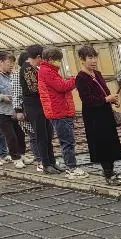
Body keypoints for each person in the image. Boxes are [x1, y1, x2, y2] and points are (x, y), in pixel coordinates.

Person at [74, 46, 121, 185]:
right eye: (90, 58)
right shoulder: (81, 78)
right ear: (82, 60)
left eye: (95, 57)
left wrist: (113, 100)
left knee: (111, 143)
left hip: (105, 113)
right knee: (102, 145)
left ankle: (111, 171)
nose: (94, 60)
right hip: (94, 117)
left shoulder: (97, 73)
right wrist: (106, 99)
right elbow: (87, 100)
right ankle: (108, 174)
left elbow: (105, 91)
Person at [38, 48, 86, 179]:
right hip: (58, 111)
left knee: (68, 140)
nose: (59, 62)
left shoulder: (49, 71)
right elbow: (62, 87)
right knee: (67, 142)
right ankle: (71, 168)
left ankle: (71, 167)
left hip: (61, 110)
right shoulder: (47, 71)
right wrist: (76, 79)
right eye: (57, 60)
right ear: (50, 60)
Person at [18, 45, 57, 173]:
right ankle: (46, 164)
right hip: (34, 106)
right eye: (43, 58)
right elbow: (34, 88)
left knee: (48, 134)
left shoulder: (34, 68)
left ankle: (52, 162)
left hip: (41, 104)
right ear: (39, 56)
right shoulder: (27, 68)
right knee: (41, 135)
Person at [11, 52, 40, 169]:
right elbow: (16, 94)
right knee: (34, 135)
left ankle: (44, 160)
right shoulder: (18, 74)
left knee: (40, 135)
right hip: (26, 110)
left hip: (37, 109)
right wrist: (18, 110)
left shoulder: (35, 71)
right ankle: (40, 160)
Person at [0, 51, 28, 169]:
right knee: (10, 136)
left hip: (14, 110)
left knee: (20, 134)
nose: (11, 65)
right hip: (2, 112)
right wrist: (2, 97)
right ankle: (15, 158)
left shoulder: (13, 75)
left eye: (13, 62)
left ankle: (21, 155)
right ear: (1, 62)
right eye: (9, 62)